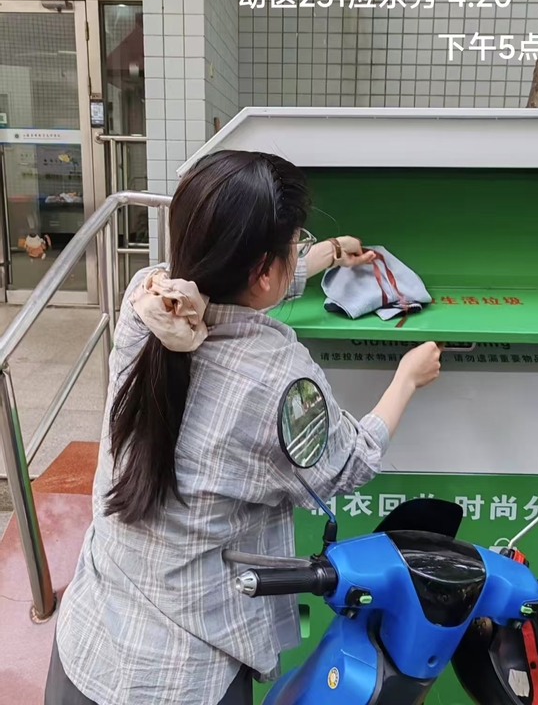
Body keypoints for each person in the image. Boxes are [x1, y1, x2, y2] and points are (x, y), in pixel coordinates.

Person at [46, 150, 442, 705]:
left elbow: (229, 286)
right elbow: (348, 464)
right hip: (185, 680)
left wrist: (326, 255)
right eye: (294, 243)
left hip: (86, 650)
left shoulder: (148, 304)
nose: (299, 249)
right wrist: (407, 378)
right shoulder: (275, 378)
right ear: (262, 269)